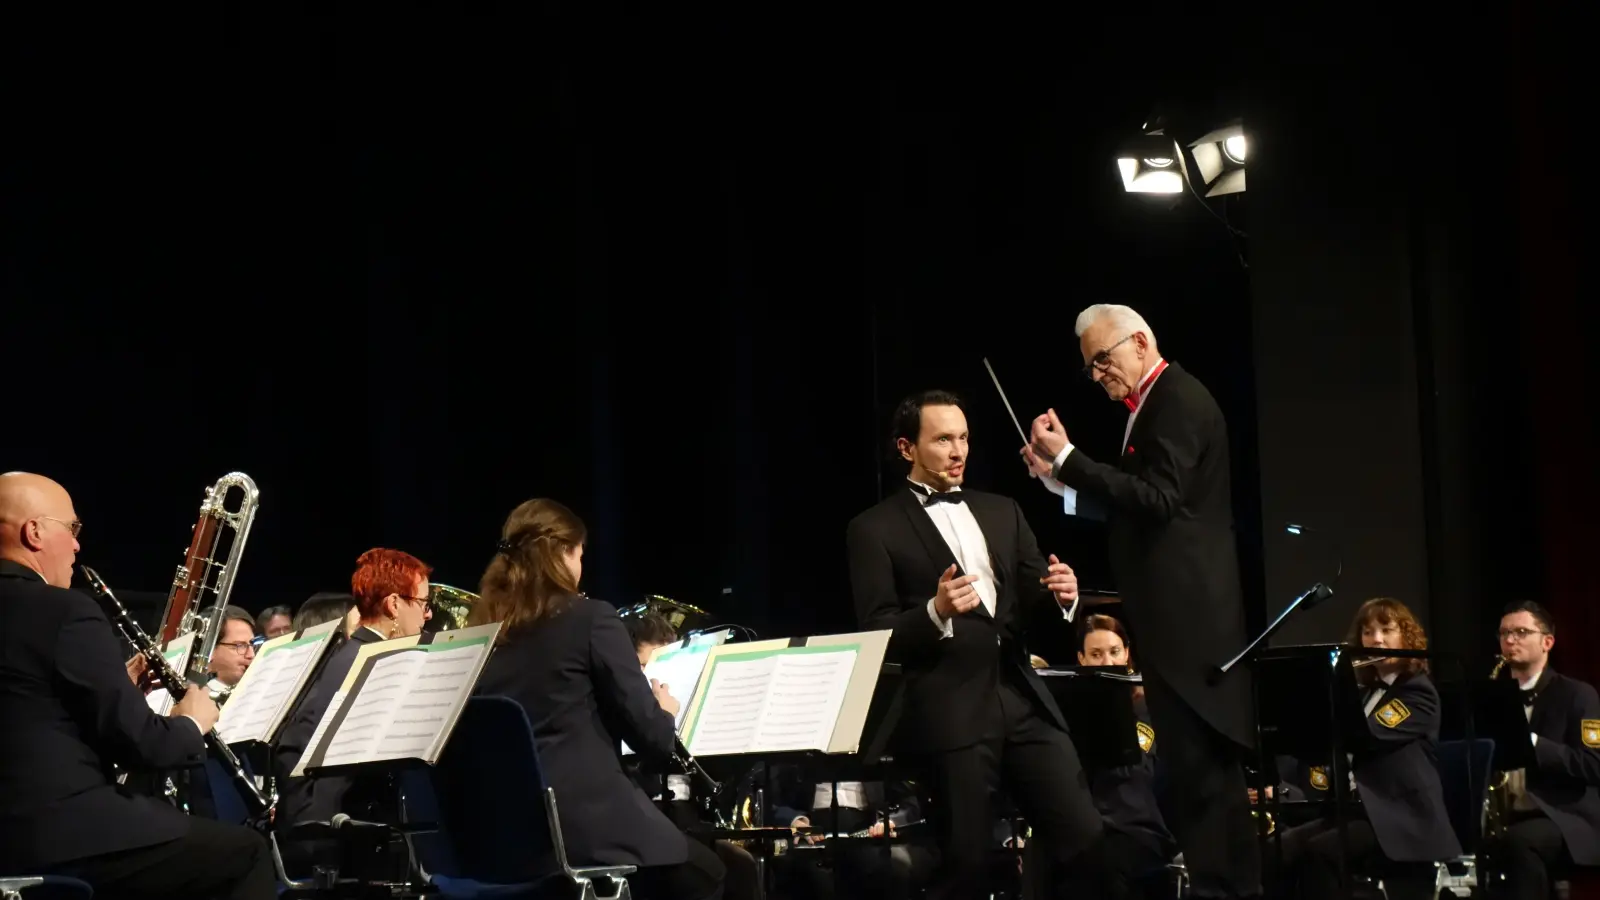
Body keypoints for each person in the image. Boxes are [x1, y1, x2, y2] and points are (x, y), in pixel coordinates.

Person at [1024, 303, 1258, 897]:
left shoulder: (1174, 397)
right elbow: (1146, 509)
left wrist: (1072, 461)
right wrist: (1061, 480)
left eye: (1104, 358)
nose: (1099, 373)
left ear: (1141, 341)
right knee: (1192, 787)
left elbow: (1158, 500)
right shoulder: (1151, 404)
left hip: (1192, 630)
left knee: (1207, 787)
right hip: (1174, 628)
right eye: (1091, 367)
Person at [846, 390, 1110, 899]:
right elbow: (874, 634)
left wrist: (1064, 596)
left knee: (1085, 838)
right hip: (951, 711)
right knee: (967, 863)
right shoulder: (873, 528)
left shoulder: (1002, 510)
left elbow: (1036, 596)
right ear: (907, 448)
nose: (957, 450)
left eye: (963, 438)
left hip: (1021, 699)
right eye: (942, 439)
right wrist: (934, 611)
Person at [0, 471, 274, 899]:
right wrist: (190, 723)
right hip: (56, 833)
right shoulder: (66, 612)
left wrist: (115, 686)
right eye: (71, 529)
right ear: (34, 531)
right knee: (245, 853)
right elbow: (143, 745)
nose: (76, 544)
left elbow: (30, 711)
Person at [470, 498, 725, 900]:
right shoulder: (591, 618)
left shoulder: (483, 630)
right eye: (580, 554)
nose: (581, 566)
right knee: (714, 872)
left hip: (504, 834)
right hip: (586, 828)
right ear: (562, 553)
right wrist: (664, 711)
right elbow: (653, 740)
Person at [1275, 598, 1459, 900]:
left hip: (1401, 818)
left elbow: (1365, 737)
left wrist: (1326, 696)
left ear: (1406, 638)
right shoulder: (1366, 694)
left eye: (1387, 630)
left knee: (1320, 853)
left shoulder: (1418, 692)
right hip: (1357, 812)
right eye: (1368, 631)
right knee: (1278, 849)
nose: (1376, 639)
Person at [272, 548, 434, 875]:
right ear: (393, 604)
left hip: (310, 823)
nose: (427, 615)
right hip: (333, 842)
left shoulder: (352, 654)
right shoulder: (376, 664)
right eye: (422, 604)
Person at [1483, 600, 1600, 898]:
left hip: (1565, 817)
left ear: (1547, 642)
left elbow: (1592, 765)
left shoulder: (1578, 694)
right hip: (1507, 815)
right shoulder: (1491, 695)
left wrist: (1532, 743)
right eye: (1504, 633)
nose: (1510, 640)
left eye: (1521, 632)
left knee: (1521, 842)